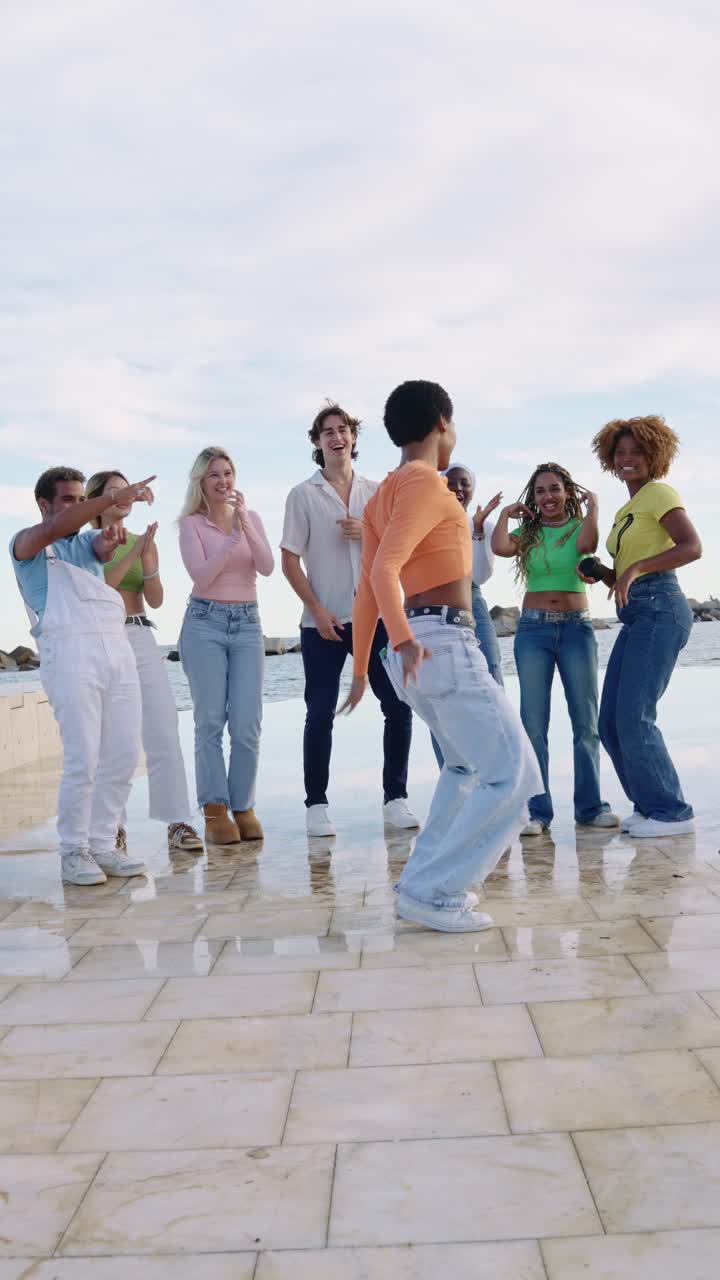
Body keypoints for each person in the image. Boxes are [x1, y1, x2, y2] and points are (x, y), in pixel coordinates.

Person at [342, 380, 541, 933]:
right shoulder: (426, 486)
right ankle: (437, 891)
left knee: (461, 768)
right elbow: (382, 576)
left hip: (418, 656)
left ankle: (419, 883)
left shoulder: (383, 493)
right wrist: (402, 637)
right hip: (441, 644)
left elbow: (364, 592)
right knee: (516, 776)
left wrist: (362, 668)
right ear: (441, 423)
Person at [10, 466, 155, 885]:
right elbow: (59, 528)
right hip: (69, 656)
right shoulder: (26, 544)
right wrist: (109, 500)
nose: (78, 506)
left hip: (115, 650)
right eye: (69, 499)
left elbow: (102, 544)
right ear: (45, 504)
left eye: (80, 497)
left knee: (125, 753)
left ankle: (104, 845)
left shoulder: (86, 543)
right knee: (83, 758)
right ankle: (73, 851)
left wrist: (111, 537)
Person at [281, 401, 417, 838]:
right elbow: (288, 561)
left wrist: (369, 531)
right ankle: (316, 805)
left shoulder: (379, 491)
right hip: (323, 623)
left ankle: (395, 798)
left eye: (343, 430)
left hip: (375, 619)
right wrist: (317, 611)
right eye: (327, 432)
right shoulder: (302, 495)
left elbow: (403, 549)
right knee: (319, 713)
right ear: (317, 443)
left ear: (354, 438)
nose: (336, 437)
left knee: (397, 706)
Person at [584, 415, 702, 838]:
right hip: (636, 614)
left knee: (635, 715)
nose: (628, 459)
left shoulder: (659, 492)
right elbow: (624, 579)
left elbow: (692, 546)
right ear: (611, 460)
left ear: (656, 457)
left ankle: (673, 813)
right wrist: (603, 570)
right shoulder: (625, 511)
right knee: (612, 720)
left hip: (661, 609)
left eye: (637, 452)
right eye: (621, 453)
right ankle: (649, 805)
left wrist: (635, 567)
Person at [492, 463, 618, 836]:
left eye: (555, 489)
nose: (548, 496)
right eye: (541, 491)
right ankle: (536, 812)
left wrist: (593, 507)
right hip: (533, 631)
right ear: (534, 498)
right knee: (533, 724)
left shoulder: (579, 528)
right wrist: (503, 514)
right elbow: (500, 547)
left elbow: (588, 547)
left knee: (586, 723)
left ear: (567, 493)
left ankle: (591, 808)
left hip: (577, 630)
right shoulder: (527, 534)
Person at [85, 471, 203, 855]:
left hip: (140, 633)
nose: (124, 497)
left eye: (127, 491)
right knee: (111, 739)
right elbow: (103, 586)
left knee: (164, 728)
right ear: (96, 499)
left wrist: (148, 558)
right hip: (103, 637)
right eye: (113, 491)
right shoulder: (86, 542)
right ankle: (112, 827)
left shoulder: (142, 541)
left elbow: (156, 599)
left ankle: (177, 822)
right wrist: (135, 553)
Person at [178, 447, 273, 845]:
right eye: (214, 474)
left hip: (248, 624)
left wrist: (244, 528)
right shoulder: (190, 525)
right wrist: (230, 537)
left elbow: (267, 567)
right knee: (210, 721)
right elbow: (201, 576)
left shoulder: (251, 519)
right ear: (201, 481)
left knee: (248, 723)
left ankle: (243, 806)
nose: (223, 481)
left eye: (228, 473)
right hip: (205, 624)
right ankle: (215, 809)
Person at [430, 464, 503, 769]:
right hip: (435, 602)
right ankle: (455, 775)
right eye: (451, 483)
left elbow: (480, 575)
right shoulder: (427, 520)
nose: (458, 489)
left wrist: (475, 530)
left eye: (465, 483)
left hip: (471, 596)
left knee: (492, 681)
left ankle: (496, 770)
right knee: (442, 695)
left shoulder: (481, 525)